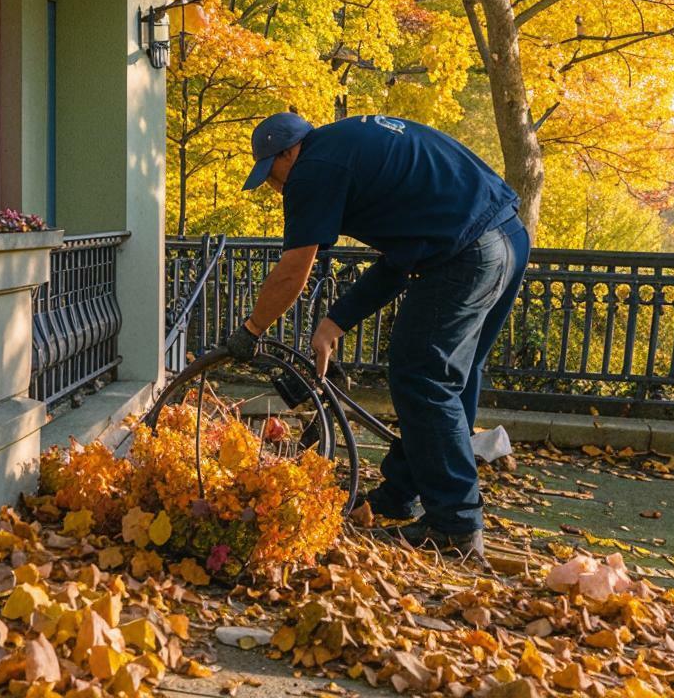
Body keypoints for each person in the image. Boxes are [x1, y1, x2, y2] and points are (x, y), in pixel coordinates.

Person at [224, 111, 530, 557]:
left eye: (271, 174)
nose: (276, 188)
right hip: (507, 237)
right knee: (449, 379)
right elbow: (398, 261)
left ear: (289, 152)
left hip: (468, 251)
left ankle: (456, 523)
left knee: (422, 375)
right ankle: (403, 493)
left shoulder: (314, 168)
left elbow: (293, 271)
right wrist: (334, 323)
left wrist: (250, 331)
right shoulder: (352, 145)